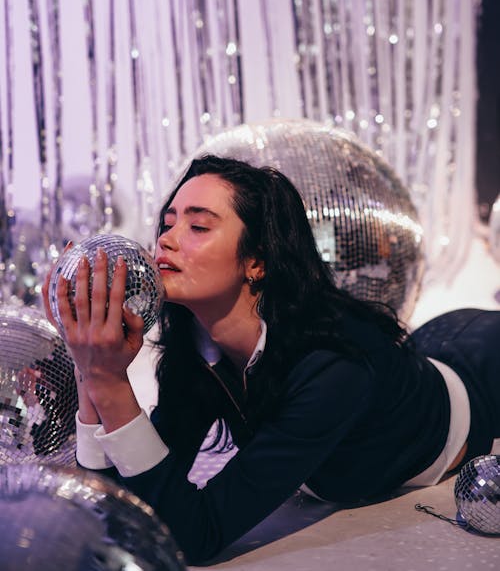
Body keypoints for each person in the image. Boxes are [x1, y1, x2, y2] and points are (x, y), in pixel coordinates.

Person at [42, 155, 500, 564]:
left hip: (482, 369)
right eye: (167, 223)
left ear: (256, 262)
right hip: (429, 349)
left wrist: (109, 382)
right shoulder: (200, 349)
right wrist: (89, 369)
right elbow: (123, 503)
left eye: (198, 226)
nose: (167, 241)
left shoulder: (331, 369)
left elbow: (198, 537)